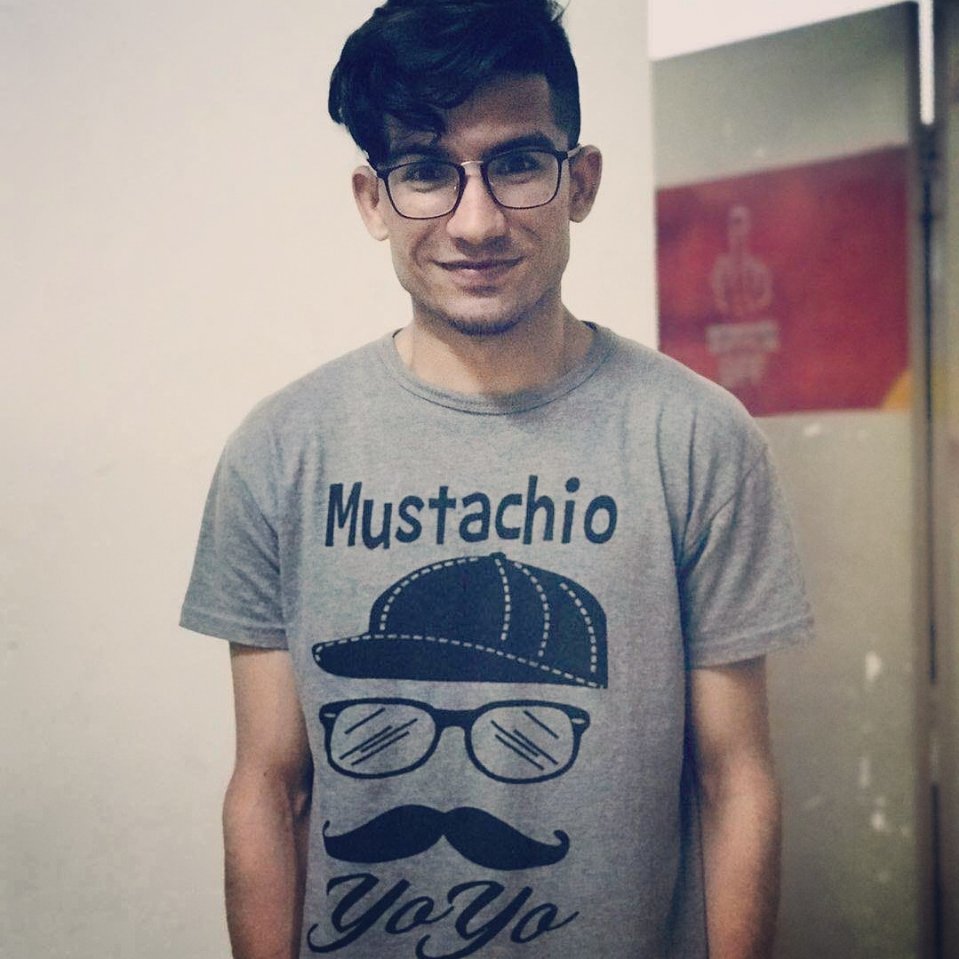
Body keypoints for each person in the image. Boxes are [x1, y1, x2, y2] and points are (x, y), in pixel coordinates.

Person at [180, 1, 813, 957]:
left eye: (516, 163)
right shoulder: (280, 451)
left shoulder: (695, 439)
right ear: (372, 199)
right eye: (426, 171)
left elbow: (734, 780)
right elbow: (273, 785)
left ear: (579, 181)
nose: (475, 222)